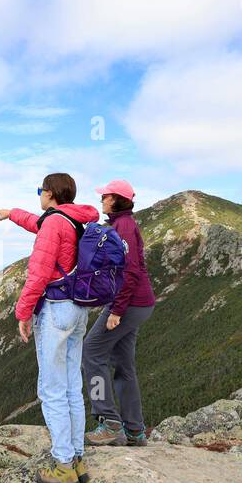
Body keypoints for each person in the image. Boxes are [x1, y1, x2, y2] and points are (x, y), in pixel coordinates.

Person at [0, 173, 100, 483]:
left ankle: (63, 465)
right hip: (79, 308)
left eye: (40, 191)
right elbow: (38, 223)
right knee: (70, 386)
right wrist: (12, 213)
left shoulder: (54, 224)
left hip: (56, 309)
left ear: (50, 193)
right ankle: (76, 458)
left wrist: (23, 313)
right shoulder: (74, 220)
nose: (39, 196)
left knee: (52, 389)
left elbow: (38, 273)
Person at [83, 179, 157, 446]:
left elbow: (130, 272)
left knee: (91, 352)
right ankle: (135, 431)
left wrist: (116, 310)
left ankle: (109, 422)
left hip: (129, 304)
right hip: (139, 304)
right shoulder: (120, 224)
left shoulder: (123, 226)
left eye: (105, 196)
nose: (101, 199)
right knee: (124, 365)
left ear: (115, 199)